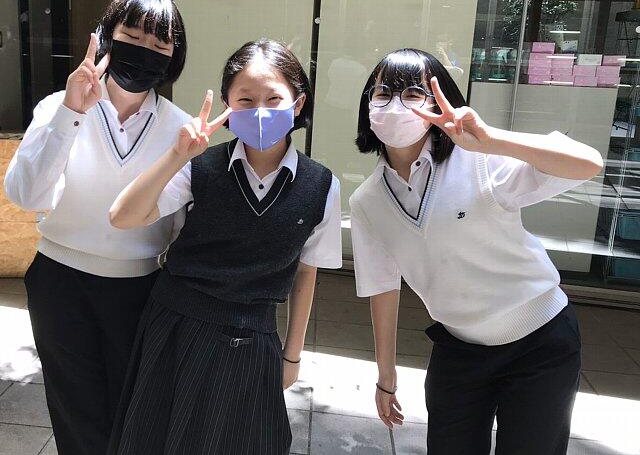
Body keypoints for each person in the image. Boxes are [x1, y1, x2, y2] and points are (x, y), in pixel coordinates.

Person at [349, 48, 603, 454]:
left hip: (541, 342)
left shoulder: (480, 161)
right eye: (383, 93)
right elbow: (382, 287)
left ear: (440, 103)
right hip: (459, 349)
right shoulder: (367, 201)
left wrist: (493, 140)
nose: (396, 105)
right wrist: (386, 377)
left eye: (413, 93)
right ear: (367, 106)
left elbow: (588, 164)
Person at [107, 38, 342, 455]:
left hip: (255, 335)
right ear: (228, 107)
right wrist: (177, 155)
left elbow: (307, 272)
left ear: (298, 104)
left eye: (274, 98)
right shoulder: (200, 167)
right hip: (177, 326)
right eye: (245, 100)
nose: (260, 110)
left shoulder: (321, 185)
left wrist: (292, 355)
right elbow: (122, 216)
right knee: (158, 440)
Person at [3, 0, 189, 454]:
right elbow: (26, 195)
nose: (144, 52)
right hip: (60, 283)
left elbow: (179, 227)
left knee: (136, 411)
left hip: (140, 288)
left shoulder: (181, 129)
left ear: (174, 56)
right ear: (107, 37)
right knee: (75, 410)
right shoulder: (57, 106)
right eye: (133, 37)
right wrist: (71, 113)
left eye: (159, 45)